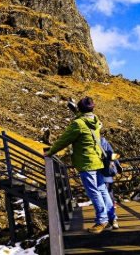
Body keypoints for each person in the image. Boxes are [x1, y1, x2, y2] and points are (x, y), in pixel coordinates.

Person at [45, 96, 117, 234]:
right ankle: (112, 217)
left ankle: (101, 221)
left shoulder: (78, 123)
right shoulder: (94, 120)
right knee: (102, 189)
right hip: (97, 160)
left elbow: (64, 140)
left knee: (94, 192)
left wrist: (50, 152)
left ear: (79, 108)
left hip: (86, 162)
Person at [100, 130, 121, 205]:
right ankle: (112, 204)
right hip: (108, 169)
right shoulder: (105, 142)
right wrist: (118, 166)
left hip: (100, 169)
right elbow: (113, 154)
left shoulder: (94, 143)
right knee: (109, 189)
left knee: (103, 189)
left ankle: (108, 205)